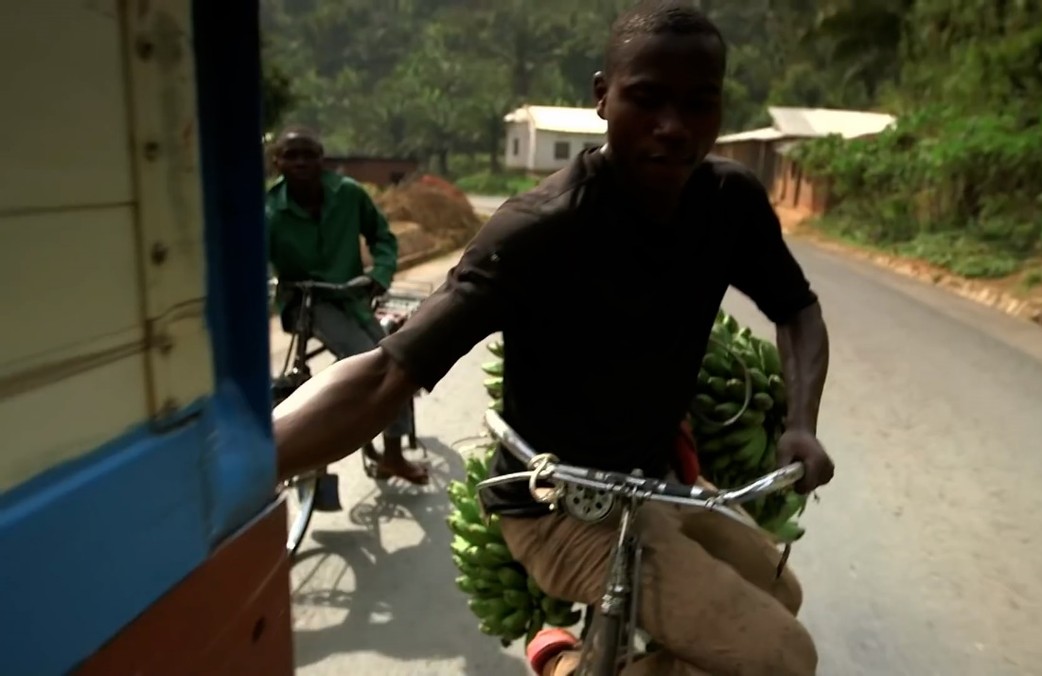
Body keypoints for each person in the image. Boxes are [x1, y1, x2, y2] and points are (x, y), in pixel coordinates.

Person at [273, 1, 834, 673]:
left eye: (698, 104)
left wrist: (802, 422)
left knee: (783, 593)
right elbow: (386, 373)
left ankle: (583, 657)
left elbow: (797, 310)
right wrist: (248, 465)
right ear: (603, 95)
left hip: (656, 482)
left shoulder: (730, 201)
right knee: (782, 658)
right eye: (647, 99)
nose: (672, 127)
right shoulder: (540, 228)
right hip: (557, 507)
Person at [267, 126, 429, 486]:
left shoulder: (349, 194)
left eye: (309, 154)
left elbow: (383, 238)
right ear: (276, 162)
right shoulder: (269, 211)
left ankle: (393, 453)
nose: (301, 162)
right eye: (291, 156)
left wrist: (379, 275)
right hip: (303, 301)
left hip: (352, 296)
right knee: (372, 362)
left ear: (322, 159)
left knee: (396, 360)